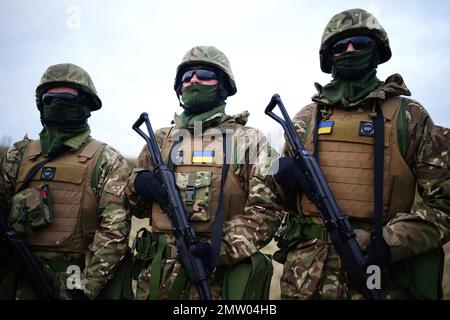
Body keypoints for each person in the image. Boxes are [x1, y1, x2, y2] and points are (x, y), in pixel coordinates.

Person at [272, 8, 450, 299]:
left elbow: (443, 204)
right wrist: (280, 175)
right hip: (307, 279)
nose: (350, 50)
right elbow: (273, 201)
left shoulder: (410, 117)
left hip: (381, 275)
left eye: (360, 43)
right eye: (340, 46)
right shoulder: (306, 119)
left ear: (377, 51)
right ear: (329, 58)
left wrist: (391, 242)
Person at [125, 45, 283, 300]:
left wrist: (220, 248)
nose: (194, 81)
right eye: (187, 77)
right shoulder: (160, 140)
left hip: (217, 278)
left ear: (223, 86)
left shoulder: (247, 140)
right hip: (157, 278)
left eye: (204, 75)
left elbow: (267, 211)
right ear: (179, 88)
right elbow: (135, 207)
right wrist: (137, 183)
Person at [0, 63, 131, 300]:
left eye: (67, 97)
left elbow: (114, 233)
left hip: (72, 283)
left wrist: (86, 289)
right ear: (40, 104)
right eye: (50, 97)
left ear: (86, 105)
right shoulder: (17, 155)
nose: (57, 103)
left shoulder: (107, 160)